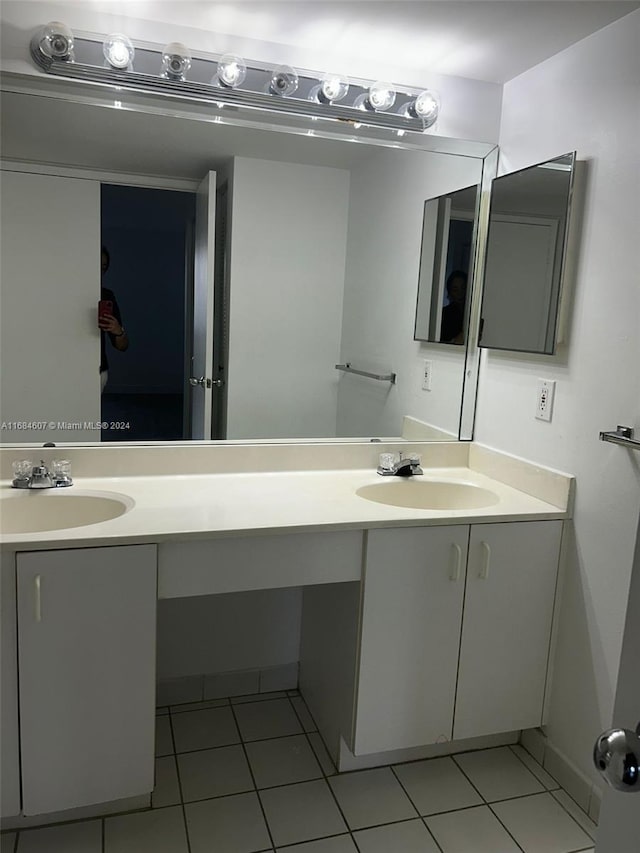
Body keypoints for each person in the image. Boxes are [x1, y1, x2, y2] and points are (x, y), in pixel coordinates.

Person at [99, 247, 129, 392]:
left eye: (103, 267)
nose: (99, 271)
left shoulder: (106, 296)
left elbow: (122, 346)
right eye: (96, 264)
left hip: (97, 370)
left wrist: (118, 331)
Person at [440, 270, 468, 344]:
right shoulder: (444, 314)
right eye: (455, 290)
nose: (460, 293)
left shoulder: (475, 313)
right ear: (450, 293)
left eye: (463, 288)